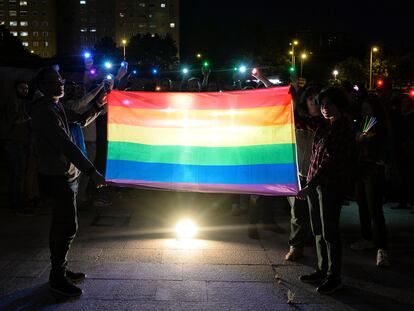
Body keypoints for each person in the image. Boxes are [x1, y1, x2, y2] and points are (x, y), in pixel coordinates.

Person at [30, 66, 106, 297]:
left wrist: (98, 107)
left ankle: (60, 269)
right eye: (53, 82)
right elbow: (65, 144)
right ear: (42, 87)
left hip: (67, 173)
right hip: (58, 174)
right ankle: (57, 276)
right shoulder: (44, 110)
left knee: (65, 224)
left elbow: (78, 123)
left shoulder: (55, 106)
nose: (59, 85)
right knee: (66, 225)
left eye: (60, 80)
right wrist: (91, 171)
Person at [296, 87, 354, 295]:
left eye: (329, 104)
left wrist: (310, 184)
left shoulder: (342, 128)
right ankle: (322, 269)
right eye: (322, 105)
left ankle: (334, 275)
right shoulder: (323, 126)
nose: (325, 108)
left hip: (330, 186)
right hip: (315, 184)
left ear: (339, 105)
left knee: (329, 231)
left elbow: (331, 161)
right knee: (318, 229)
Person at [285, 84, 323, 261]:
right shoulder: (298, 120)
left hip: (318, 176)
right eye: (311, 99)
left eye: (318, 99)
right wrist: (262, 79)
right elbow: (285, 105)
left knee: (318, 214)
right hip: (298, 174)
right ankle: (296, 246)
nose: (315, 103)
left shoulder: (328, 123)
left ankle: (321, 250)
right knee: (298, 213)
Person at [350, 98, 390, 267]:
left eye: (368, 108)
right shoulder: (359, 123)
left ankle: (382, 248)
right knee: (362, 203)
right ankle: (367, 238)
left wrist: (364, 139)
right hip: (361, 168)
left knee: (374, 206)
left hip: (374, 168)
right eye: (363, 108)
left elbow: (380, 144)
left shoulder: (379, 125)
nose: (365, 111)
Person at [0, 80, 31, 214]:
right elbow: (14, 119)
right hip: (13, 141)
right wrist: (30, 115)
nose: (25, 90)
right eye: (22, 88)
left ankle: (17, 201)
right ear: (15, 89)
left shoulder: (22, 102)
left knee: (19, 174)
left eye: (26, 88)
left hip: (21, 141)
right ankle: (15, 203)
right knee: (17, 173)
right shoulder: (13, 102)